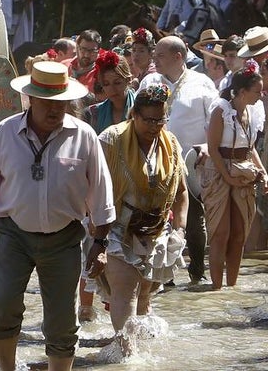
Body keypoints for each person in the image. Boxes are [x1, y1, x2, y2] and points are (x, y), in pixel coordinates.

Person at [0, 61, 114, 371]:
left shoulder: (84, 136)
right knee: (2, 309)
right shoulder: (4, 133)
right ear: (31, 99)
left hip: (65, 238)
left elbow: (102, 193)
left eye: (61, 102)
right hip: (12, 234)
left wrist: (101, 245)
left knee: (62, 322)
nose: (55, 109)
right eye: (47, 102)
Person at [96, 84, 188, 342]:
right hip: (116, 227)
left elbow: (181, 192)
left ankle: (142, 348)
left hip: (155, 228)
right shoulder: (111, 140)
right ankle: (127, 354)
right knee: (126, 290)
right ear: (134, 114)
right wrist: (95, 233)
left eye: (160, 120)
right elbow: (91, 186)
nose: (154, 126)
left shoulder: (171, 143)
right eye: (148, 120)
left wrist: (180, 229)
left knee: (146, 295)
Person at [141, 36, 218, 284]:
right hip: (155, 162)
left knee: (194, 219)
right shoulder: (150, 81)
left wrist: (207, 145)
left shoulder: (201, 83)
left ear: (178, 57)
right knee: (157, 219)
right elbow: (137, 118)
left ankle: (197, 272)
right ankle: (163, 277)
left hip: (190, 163)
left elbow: (214, 120)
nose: (154, 60)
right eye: (154, 55)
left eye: (160, 56)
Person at [201, 62, 268, 289]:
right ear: (241, 92)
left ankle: (232, 287)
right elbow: (213, 149)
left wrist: (263, 172)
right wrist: (227, 177)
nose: (261, 95)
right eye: (257, 91)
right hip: (219, 170)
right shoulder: (221, 110)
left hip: (242, 168)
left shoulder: (253, 111)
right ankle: (216, 288)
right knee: (221, 233)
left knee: (239, 233)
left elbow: (250, 148)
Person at [85, 50, 134, 134]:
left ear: (128, 80)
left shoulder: (141, 109)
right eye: (106, 84)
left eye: (117, 83)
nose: (112, 89)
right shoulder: (93, 114)